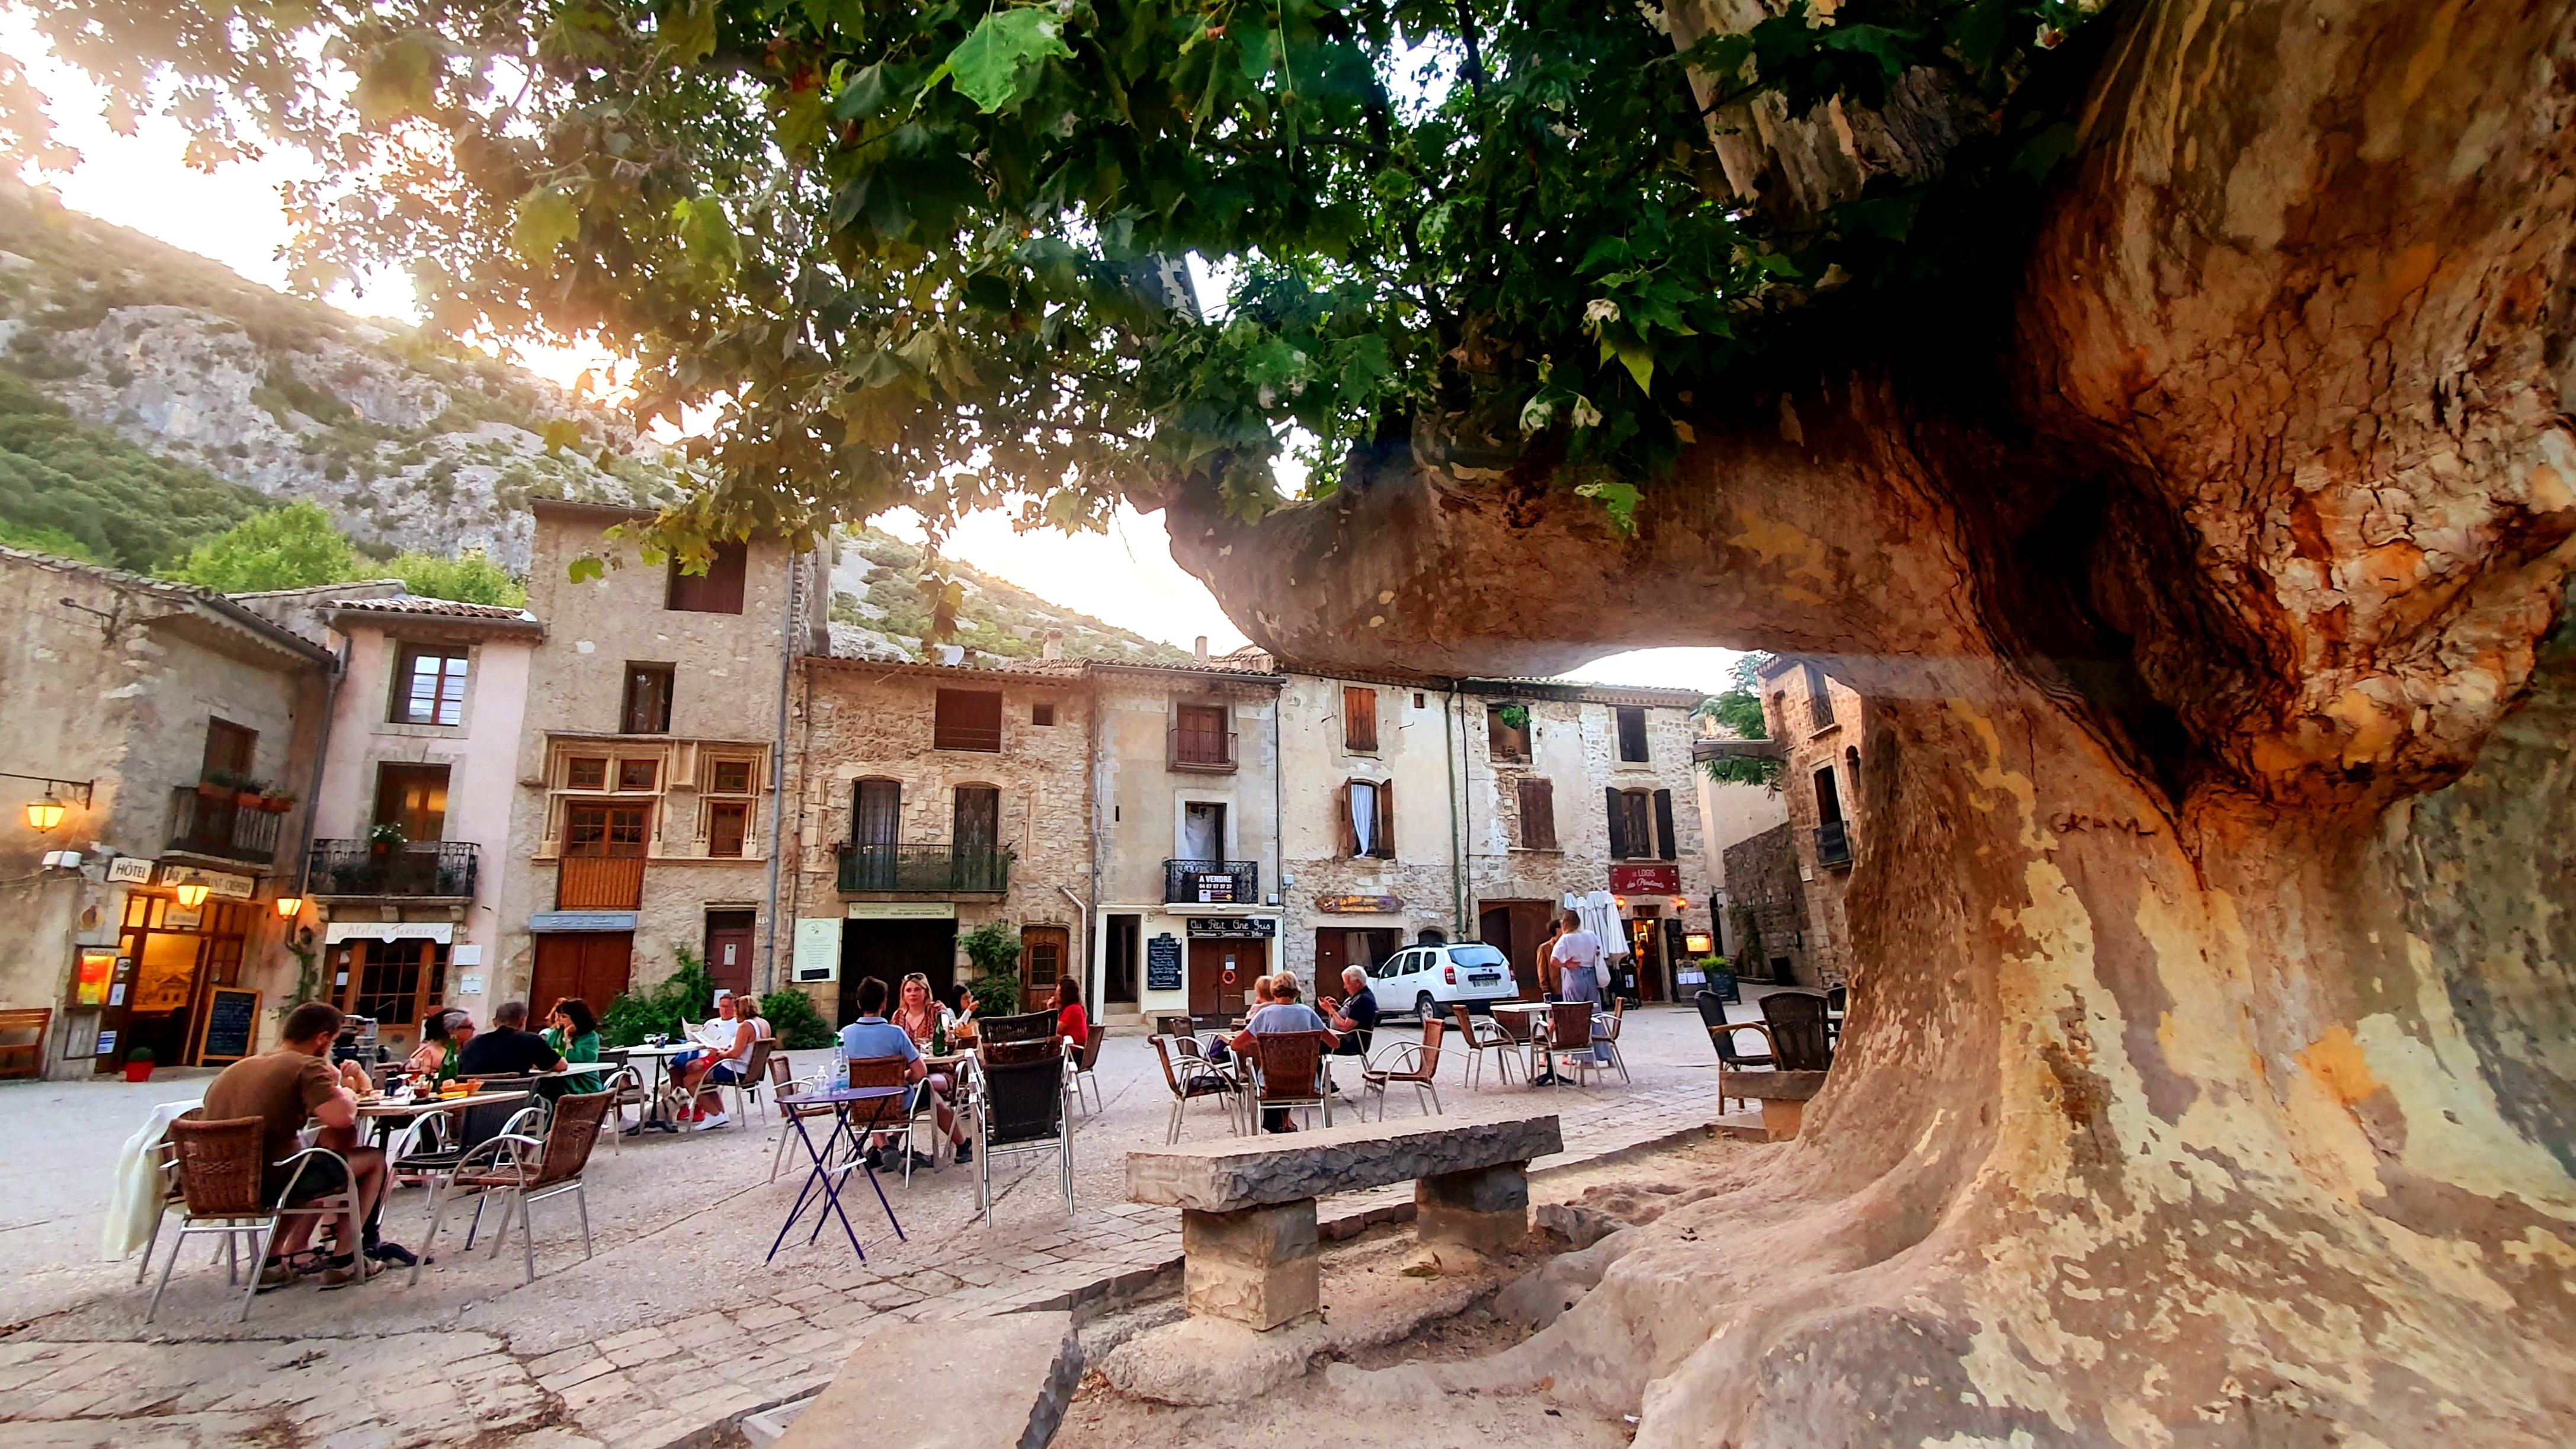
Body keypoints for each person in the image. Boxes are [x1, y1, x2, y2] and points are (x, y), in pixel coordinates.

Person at [201, 1001, 408, 1288]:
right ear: (322, 1038)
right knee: (372, 1159)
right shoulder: (306, 1065)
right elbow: (341, 1118)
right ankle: (346, 1259)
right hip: (271, 1179)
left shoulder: (238, 1068)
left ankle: (272, 1261)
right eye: (333, 1041)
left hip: (215, 1181)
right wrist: (342, 1090)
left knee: (323, 1154)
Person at [837, 976, 958, 1170]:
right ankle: (960, 1145)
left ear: (859, 1004)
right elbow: (920, 1072)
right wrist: (902, 1077)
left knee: (875, 1100)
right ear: (884, 1004)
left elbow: (839, 1074)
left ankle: (884, 1147)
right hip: (896, 1101)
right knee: (928, 1094)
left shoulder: (843, 1036)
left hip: (859, 1103)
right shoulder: (895, 1033)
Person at [1230, 975, 1337, 1133]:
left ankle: (1277, 1124)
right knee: (1291, 1068)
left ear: (1273, 992)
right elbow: (1335, 1043)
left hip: (1271, 1083)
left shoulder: (1264, 1015)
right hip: (1305, 1081)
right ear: (1296, 991)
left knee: (1274, 1070)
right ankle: (1285, 1122)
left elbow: (1236, 1045)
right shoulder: (1308, 1013)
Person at [885, 973, 972, 1167]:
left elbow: (946, 1024)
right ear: (903, 994)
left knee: (927, 1087)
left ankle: (891, 1142)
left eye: (917, 989)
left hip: (939, 1069)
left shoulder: (935, 1009)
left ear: (926, 992)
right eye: (909, 990)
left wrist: (946, 1029)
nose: (913, 994)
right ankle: (963, 1144)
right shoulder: (898, 1016)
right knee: (918, 1089)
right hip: (911, 1072)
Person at [674, 991, 757, 1129]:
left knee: (690, 1080)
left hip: (732, 1067)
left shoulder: (743, 1026)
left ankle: (713, 1114)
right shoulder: (756, 1024)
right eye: (721, 1006)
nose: (725, 1010)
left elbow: (735, 1053)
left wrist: (719, 1052)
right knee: (680, 1067)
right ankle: (718, 1113)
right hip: (730, 1064)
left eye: (730, 1008)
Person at [1547, 909, 1610, 1073]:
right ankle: (1605, 1054)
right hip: (1591, 975)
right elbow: (1597, 953)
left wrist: (1567, 964)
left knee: (1576, 1017)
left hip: (1574, 976)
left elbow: (1553, 960)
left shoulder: (1566, 939)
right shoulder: (1591, 935)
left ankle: (1585, 1058)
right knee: (1595, 1014)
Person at [456, 1000, 567, 1077]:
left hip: (475, 1104)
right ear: (522, 1021)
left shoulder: (472, 1044)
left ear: (495, 1022)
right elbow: (561, 1066)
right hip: (515, 1103)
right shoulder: (530, 1040)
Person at [541, 998, 604, 1097]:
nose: (558, 1020)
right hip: (555, 1079)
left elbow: (577, 1058)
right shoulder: (555, 1034)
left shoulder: (590, 1037)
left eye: (564, 1017)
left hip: (581, 1083)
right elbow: (544, 1053)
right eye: (559, 1016)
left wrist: (567, 1039)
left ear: (576, 1018)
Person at [1319, 966, 1378, 1057]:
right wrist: (1337, 1008)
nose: (1344, 987)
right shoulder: (1358, 996)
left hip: (1351, 1043)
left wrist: (1330, 1011)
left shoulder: (1363, 1000)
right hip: (1342, 1037)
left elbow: (1346, 1027)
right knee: (1314, 1040)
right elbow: (1350, 1014)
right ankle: (1319, 1072)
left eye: (1347, 983)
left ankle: (1317, 1072)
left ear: (1357, 983)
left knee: (1314, 1045)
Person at [1054, 976, 1090, 1050]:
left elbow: (1055, 1029)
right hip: (1075, 1049)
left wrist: (1050, 1010)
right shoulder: (1077, 1007)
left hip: (1073, 1051)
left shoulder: (1072, 1010)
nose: (1055, 995)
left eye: (1057, 992)